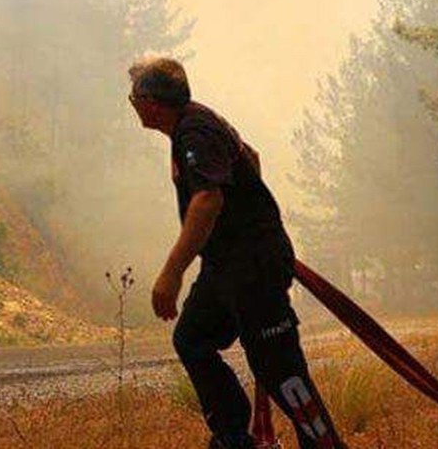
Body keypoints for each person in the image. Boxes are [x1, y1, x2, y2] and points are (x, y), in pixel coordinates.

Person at [126, 57, 345, 449]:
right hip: (227, 266)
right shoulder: (195, 124)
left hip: (252, 268)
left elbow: (207, 199)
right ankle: (231, 437)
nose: (132, 104)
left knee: (279, 369)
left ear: (151, 103)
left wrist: (171, 273)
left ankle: (324, 443)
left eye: (133, 97)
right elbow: (252, 157)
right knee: (192, 339)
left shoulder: (195, 131)